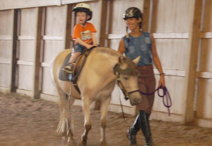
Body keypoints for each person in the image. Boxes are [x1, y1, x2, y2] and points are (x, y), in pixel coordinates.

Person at [118, 7, 165, 146]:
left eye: (131, 19)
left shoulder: (149, 37)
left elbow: (155, 56)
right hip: (135, 76)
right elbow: (118, 59)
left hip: (149, 74)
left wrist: (162, 75)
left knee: (147, 111)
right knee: (143, 108)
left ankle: (132, 131)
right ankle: (148, 142)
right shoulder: (124, 41)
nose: (129, 22)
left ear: (139, 20)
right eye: (127, 20)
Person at [64, 3, 97, 73]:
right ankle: (70, 64)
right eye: (78, 15)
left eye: (82, 15)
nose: (80, 17)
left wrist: (95, 44)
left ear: (87, 17)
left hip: (90, 43)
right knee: (77, 53)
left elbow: (93, 35)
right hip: (80, 44)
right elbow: (78, 39)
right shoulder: (76, 27)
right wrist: (87, 45)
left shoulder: (90, 25)